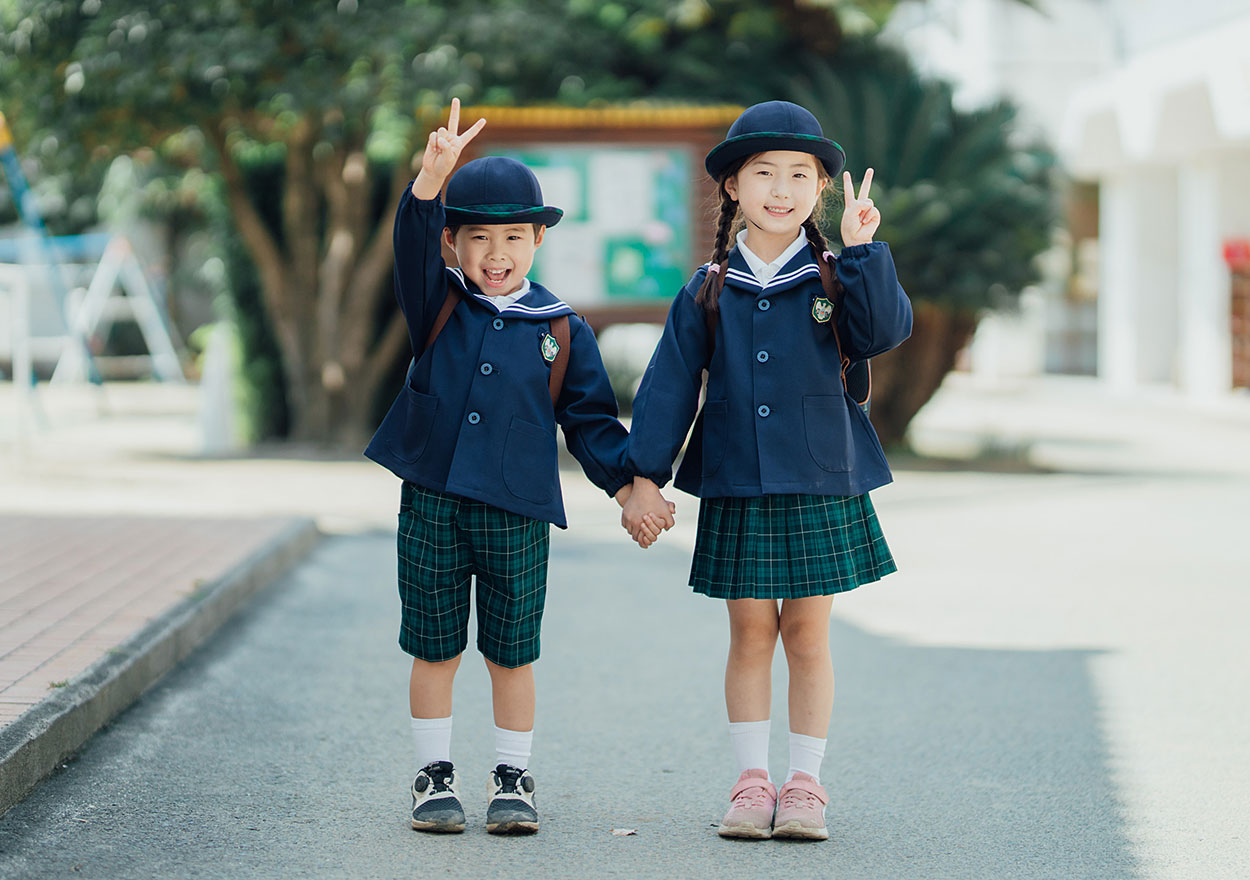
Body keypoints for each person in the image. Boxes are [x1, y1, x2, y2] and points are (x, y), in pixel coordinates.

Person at [365, 100, 660, 836]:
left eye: (514, 238)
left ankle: (512, 776)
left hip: (519, 511)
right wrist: (429, 184)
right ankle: (433, 776)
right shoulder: (437, 304)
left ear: (537, 241)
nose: (497, 253)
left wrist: (629, 485)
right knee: (434, 645)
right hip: (432, 500)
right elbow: (410, 239)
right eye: (479, 238)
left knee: (511, 651)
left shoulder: (562, 329)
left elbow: (591, 421)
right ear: (454, 246)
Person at [621, 100, 913, 840]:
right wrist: (643, 476)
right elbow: (669, 384)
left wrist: (863, 251)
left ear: (820, 189)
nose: (780, 189)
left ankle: (806, 786)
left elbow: (883, 332)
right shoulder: (708, 286)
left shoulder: (836, 273)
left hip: (821, 473)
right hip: (737, 477)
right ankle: (752, 784)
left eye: (799, 175)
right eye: (763, 173)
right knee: (750, 634)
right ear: (732, 188)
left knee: (808, 636)